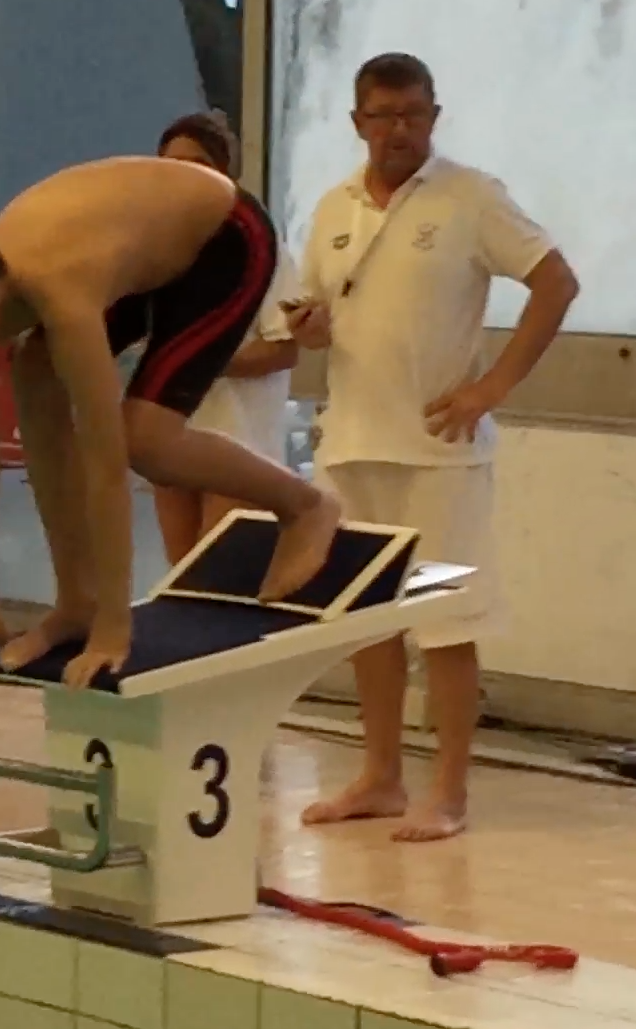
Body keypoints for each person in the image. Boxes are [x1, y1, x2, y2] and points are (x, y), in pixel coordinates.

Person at [0, 155, 341, 690]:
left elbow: (106, 466)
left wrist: (113, 627)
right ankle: (75, 600)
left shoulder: (60, 291)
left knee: (144, 438)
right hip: (145, 249)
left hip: (225, 238)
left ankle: (305, 506)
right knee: (34, 376)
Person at [286, 53, 579, 842]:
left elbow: (556, 282)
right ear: (358, 122)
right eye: (383, 116)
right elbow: (318, 315)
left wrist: (493, 387)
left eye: (413, 114)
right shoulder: (334, 206)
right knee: (367, 622)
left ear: (434, 117)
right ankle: (380, 776)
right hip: (352, 444)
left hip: (439, 451)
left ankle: (448, 791)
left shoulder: (470, 196)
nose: (399, 129)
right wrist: (309, 330)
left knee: (446, 624)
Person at [153, 112, 300, 563]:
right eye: (172, 165)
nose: (184, 176)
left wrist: (200, 359)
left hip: (238, 444)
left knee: (218, 578)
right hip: (169, 436)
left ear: (225, 174)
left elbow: (284, 348)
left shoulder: (260, 247)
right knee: (179, 581)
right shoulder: (155, 250)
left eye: (198, 164)